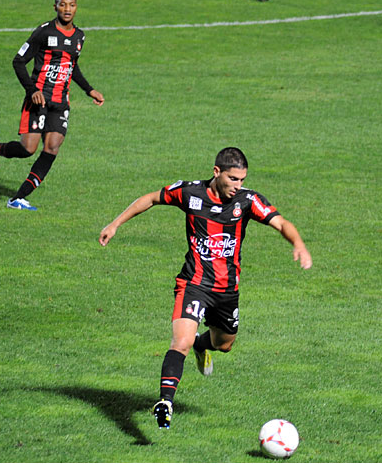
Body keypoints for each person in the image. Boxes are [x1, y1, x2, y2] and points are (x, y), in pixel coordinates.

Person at [98, 147, 312, 429]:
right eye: (233, 179)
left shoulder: (247, 201)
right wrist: (115, 224)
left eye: (242, 179)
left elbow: (280, 222)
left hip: (226, 290)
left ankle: (203, 344)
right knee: (180, 342)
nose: (238, 185)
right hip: (194, 284)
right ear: (216, 172)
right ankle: (165, 402)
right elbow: (151, 198)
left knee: (225, 344)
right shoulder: (189, 193)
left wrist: (297, 243)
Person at [0, 0, 104, 211]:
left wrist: (89, 90)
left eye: (72, 5)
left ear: (76, 7)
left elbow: (72, 67)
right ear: (55, 7)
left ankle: (18, 198)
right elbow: (18, 61)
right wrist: (32, 89)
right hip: (39, 100)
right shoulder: (44, 32)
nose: (67, 9)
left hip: (61, 102)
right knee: (28, 149)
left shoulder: (80, 37)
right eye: (63, 5)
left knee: (52, 147)